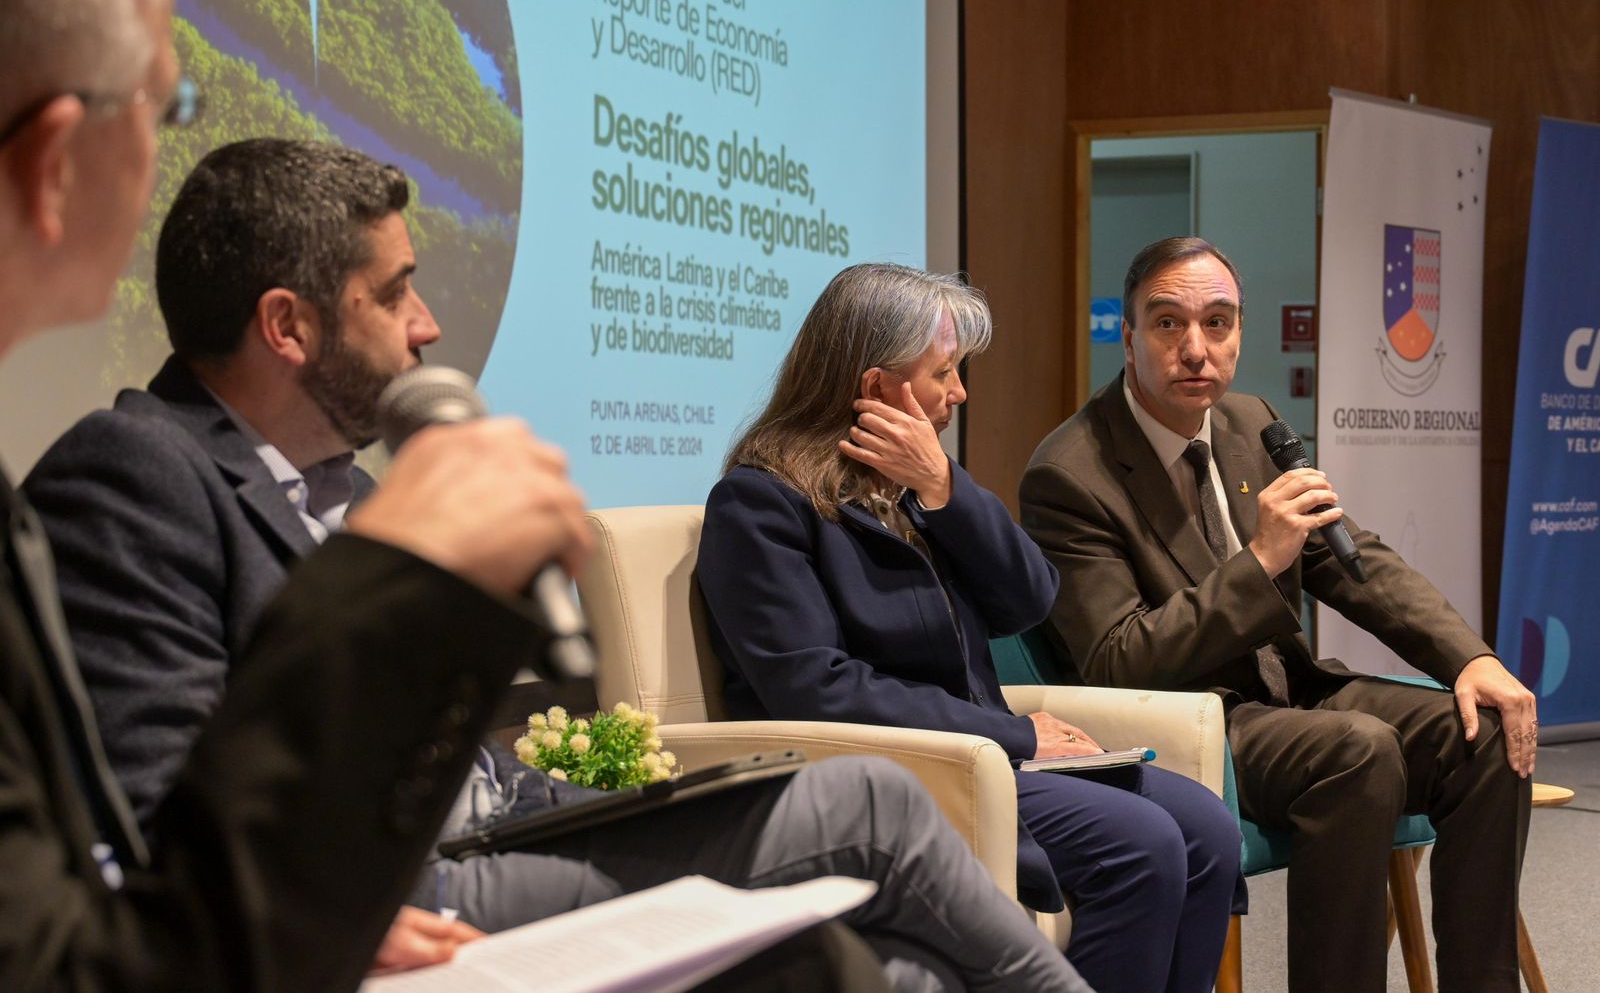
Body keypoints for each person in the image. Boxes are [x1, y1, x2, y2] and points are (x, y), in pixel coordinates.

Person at [25, 138, 1089, 993]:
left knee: (886, 967)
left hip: (505, 824)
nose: (429, 326)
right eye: (394, 294)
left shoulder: (338, 488)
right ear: (287, 327)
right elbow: (151, 813)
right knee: (870, 807)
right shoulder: (143, 471)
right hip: (404, 888)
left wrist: (605, 786)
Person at [0, 0, 593, 989]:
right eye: (164, 106)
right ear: (53, 161)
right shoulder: (131, 471)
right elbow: (105, 946)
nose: (428, 328)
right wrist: (388, 586)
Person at [697, 263, 1243, 993]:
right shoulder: (761, 505)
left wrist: (948, 490)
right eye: (944, 374)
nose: (958, 393)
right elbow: (816, 689)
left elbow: (1029, 598)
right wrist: (1015, 736)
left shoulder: (915, 490)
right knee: (1140, 844)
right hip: (899, 768)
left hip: (980, 750)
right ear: (876, 390)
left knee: (1208, 827)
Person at [1018, 236, 1535, 993]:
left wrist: (1470, 657)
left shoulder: (1246, 422)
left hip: (1285, 692)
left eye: (1218, 323)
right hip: (1187, 718)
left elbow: (1353, 560)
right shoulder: (1070, 474)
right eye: (1168, 324)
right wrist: (1258, 562)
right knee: (1357, 751)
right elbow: (1118, 661)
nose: (1196, 349)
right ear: (1127, 338)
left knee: (1484, 732)